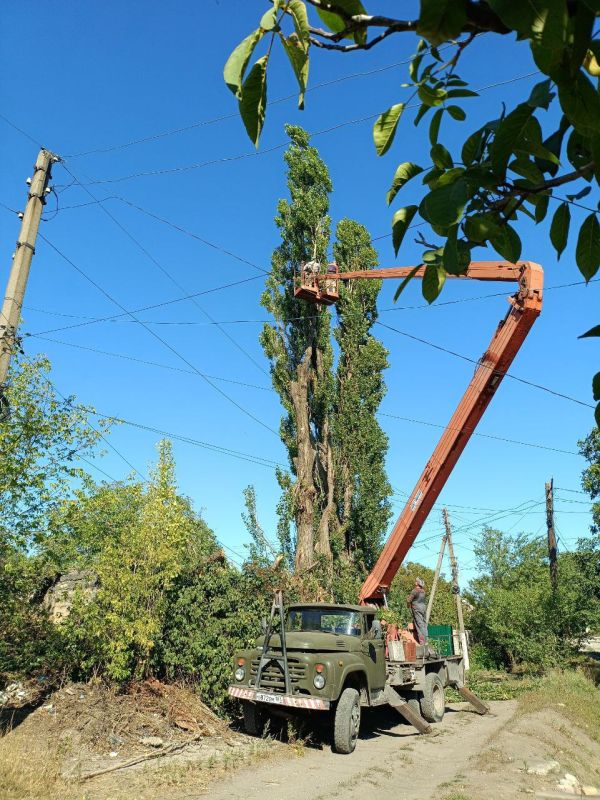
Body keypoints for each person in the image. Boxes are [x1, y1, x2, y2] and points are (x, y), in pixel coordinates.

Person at [406, 577, 428, 645]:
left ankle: (422, 642)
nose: (415, 582)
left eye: (416, 581)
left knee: (419, 624)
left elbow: (408, 600)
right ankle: (426, 639)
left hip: (416, 608)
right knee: (424, 624)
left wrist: (408, 605)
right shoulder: (423, 591)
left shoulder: (415, 591)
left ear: (418, 583)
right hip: (423, 608)